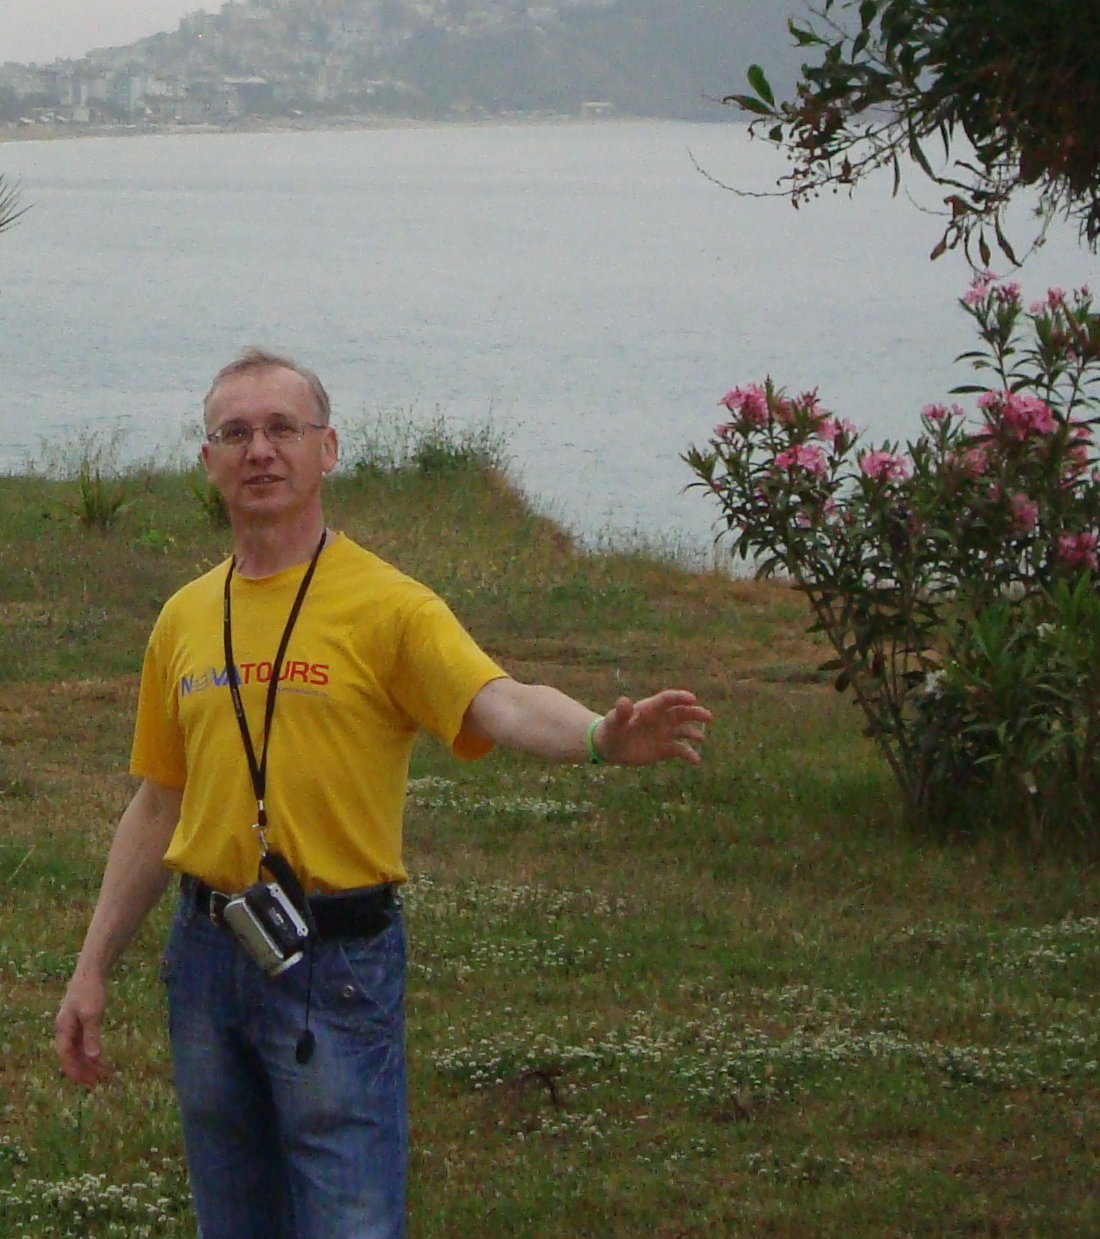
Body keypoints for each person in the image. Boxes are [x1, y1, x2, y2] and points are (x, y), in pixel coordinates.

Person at [53, 347, 712, 1238]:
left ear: (327, 449)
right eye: (235, 433)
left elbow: (500, 701)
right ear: (207, 461)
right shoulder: (184, 618)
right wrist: (91, 968)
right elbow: (157, 804)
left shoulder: (391, 607)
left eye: (283, 429)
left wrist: (600, 736)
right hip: (207, 958)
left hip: (336, 964)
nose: (260, 451)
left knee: (350, 1219)